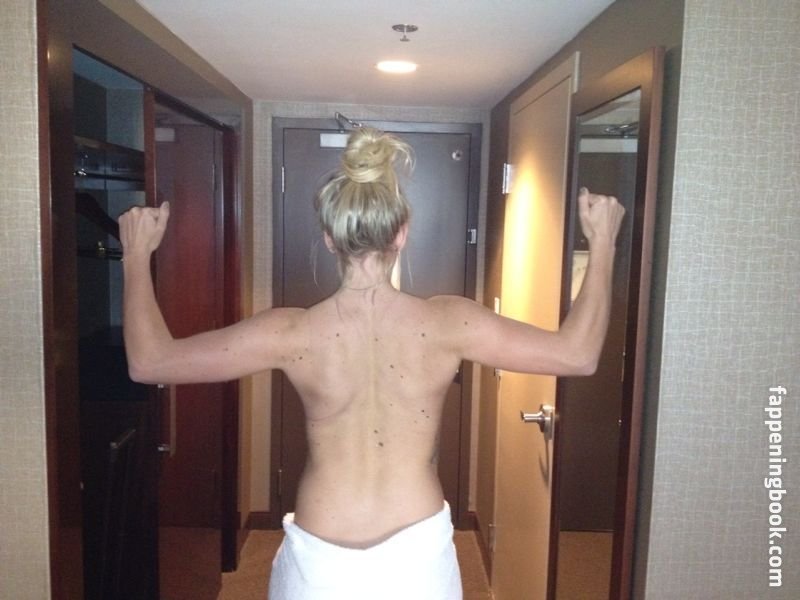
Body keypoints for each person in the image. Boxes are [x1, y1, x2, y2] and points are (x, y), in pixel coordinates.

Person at [119, 127, 624, 600]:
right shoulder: (450, 322)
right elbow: (577, 355)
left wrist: (136, 257)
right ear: (401, 233)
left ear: (330, 238)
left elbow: (150, 362)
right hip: (418, 560)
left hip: (320, 563)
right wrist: (602, 244)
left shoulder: (290, 331)